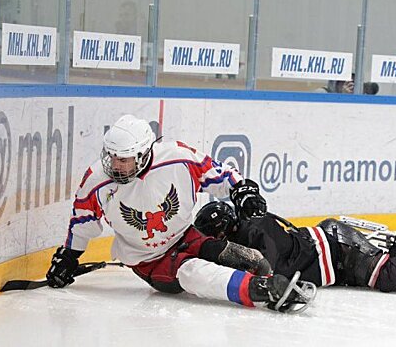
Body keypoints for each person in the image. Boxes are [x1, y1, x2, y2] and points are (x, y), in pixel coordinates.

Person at [46, 114, 312, 312]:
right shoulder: (97, 180)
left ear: (143, 153)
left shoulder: (178, 158)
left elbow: (219, 174)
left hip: (187, 236)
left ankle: (269, 282)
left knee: (250, 258)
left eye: (124, 159)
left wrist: (242, 190)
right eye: (112, 156)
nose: (115, 165)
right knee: (192, 272)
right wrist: (70, 256)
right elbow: (82, 221)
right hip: (148, 260)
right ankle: (260, 290)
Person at [194, 201, 396, 292]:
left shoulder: (251, 232)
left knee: (390, 277)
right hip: (327, 255)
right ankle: (393, 255)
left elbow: (271, 268)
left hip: (335, 247)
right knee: (376, 275)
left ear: (225, 227)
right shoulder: (246, 229)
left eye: (215, 234)